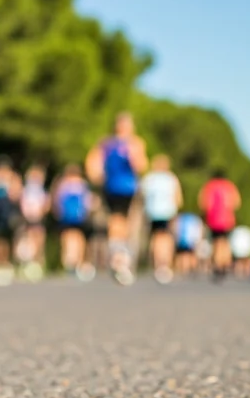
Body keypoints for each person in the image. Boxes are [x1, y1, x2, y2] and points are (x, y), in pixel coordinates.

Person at [86, 112, 148, 284]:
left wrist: (98, 176)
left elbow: (92, 165)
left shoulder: (108, 143)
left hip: (116, 187)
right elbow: (141, 165)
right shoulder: (130, 143)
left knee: (117, 221)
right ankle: (120, 257)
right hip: (123, 187)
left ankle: (118, 255)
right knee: (123, 222)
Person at [142, 154, 184, 284]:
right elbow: (178, 199)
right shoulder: (171, 178)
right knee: (166, 238)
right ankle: (165, 263)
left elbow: (142, 196)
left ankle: (157, 264)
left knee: (156, 238)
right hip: (168, 213)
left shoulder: (149, 178)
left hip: (152, 213)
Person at [52, 164, 94, 280]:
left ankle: (69, 263)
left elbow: (57, 200)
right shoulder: (82, 184)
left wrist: (57, 212)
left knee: (68, 238)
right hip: (79, 216)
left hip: (66, 217)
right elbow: (88, 201)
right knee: (78, 239)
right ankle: (77, 263)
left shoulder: (62, 184)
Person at [0, 156, 22, 285]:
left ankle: (7, 263)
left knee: (10, 240)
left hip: (10, 213)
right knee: (0, 241)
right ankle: (0, 264)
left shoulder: (13, 178)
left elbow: (17, 194)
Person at [199, 169, 240, 279]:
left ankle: (217, 263)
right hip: (227, 219)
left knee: (217, 242)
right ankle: (225, 263)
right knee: (225, 242)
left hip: (214, 219)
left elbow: (204, 203)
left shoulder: (209, 186)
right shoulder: (230, 186)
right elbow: (237, 202)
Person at [17, 165, 50, 281]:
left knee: (39, 241)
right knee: (30, 241)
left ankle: (38, 264)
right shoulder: (27, 190)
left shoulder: (40, 190)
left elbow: (46, 204)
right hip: (29, 219)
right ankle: (29, 263)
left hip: (38, 218)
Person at [174, 212, 204, 277]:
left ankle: (185, 269)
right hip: (192, 239)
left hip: (183, 239)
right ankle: (190, 269)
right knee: (190, 253)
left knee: (184, 254)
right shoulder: (195, 218)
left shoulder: (181, 218)